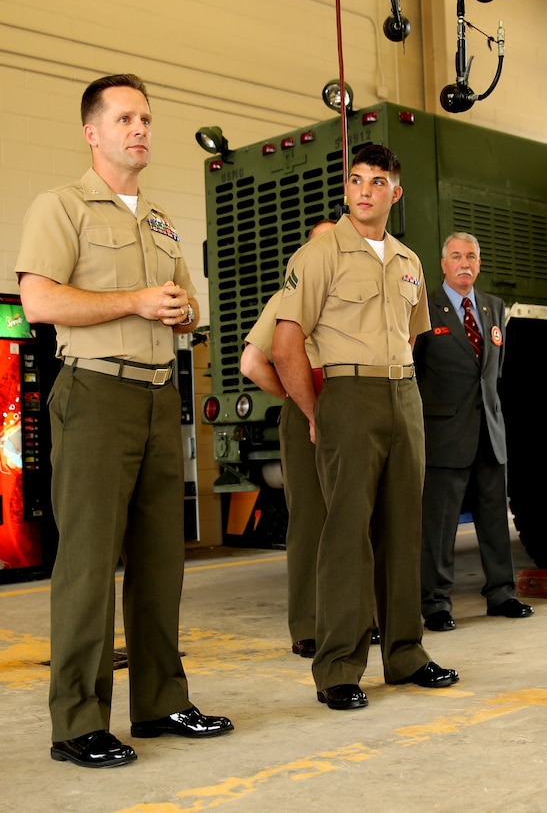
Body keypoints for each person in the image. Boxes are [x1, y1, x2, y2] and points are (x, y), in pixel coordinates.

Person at [16, 73, 233, 769]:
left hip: (156, 396)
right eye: (125, 119)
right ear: (93, 132)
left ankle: (161, 701)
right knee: (85, 566)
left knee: (159, 561)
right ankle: (77, 721)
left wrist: (179, 311)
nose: (139, 129)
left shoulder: (162, 219)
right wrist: (135, 301)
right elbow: (40, 302)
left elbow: (186, 307)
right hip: (95, 395)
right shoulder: (62, 206)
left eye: (145, 118)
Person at [271, 144, 458, 711]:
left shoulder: (409, 262)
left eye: (379, 182)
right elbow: (283, 346)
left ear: (395, 194)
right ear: (347, 189)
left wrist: (405, 393)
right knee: (347, 534)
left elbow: (414, 335)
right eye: (357, 180)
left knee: (404, 529)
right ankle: (338, 668)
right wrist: (314, 413)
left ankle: (405, 654)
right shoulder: (321, 253)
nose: (366, 191)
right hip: (347, 397)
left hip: (403, 394)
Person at [242, 220, 381, 657]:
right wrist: (301, 400)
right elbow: (252, 362)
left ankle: (345, 621)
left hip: (340, 406)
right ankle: (313, 624)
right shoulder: (291, 296)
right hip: (316, 405)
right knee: (319, 518)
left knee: (341, 517)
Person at [414, 232, 534, 632]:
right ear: (443, 264)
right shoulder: (424, 308)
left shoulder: (494, 307)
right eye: (456, 257)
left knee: (495, 520)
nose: (464, 263)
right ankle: (435, 603)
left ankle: (502, 594)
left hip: (489, 430)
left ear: (479, 264)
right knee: (440, 525)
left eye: (471, 256)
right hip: (444, 433)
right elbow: (414, 371)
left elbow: (494, 373)